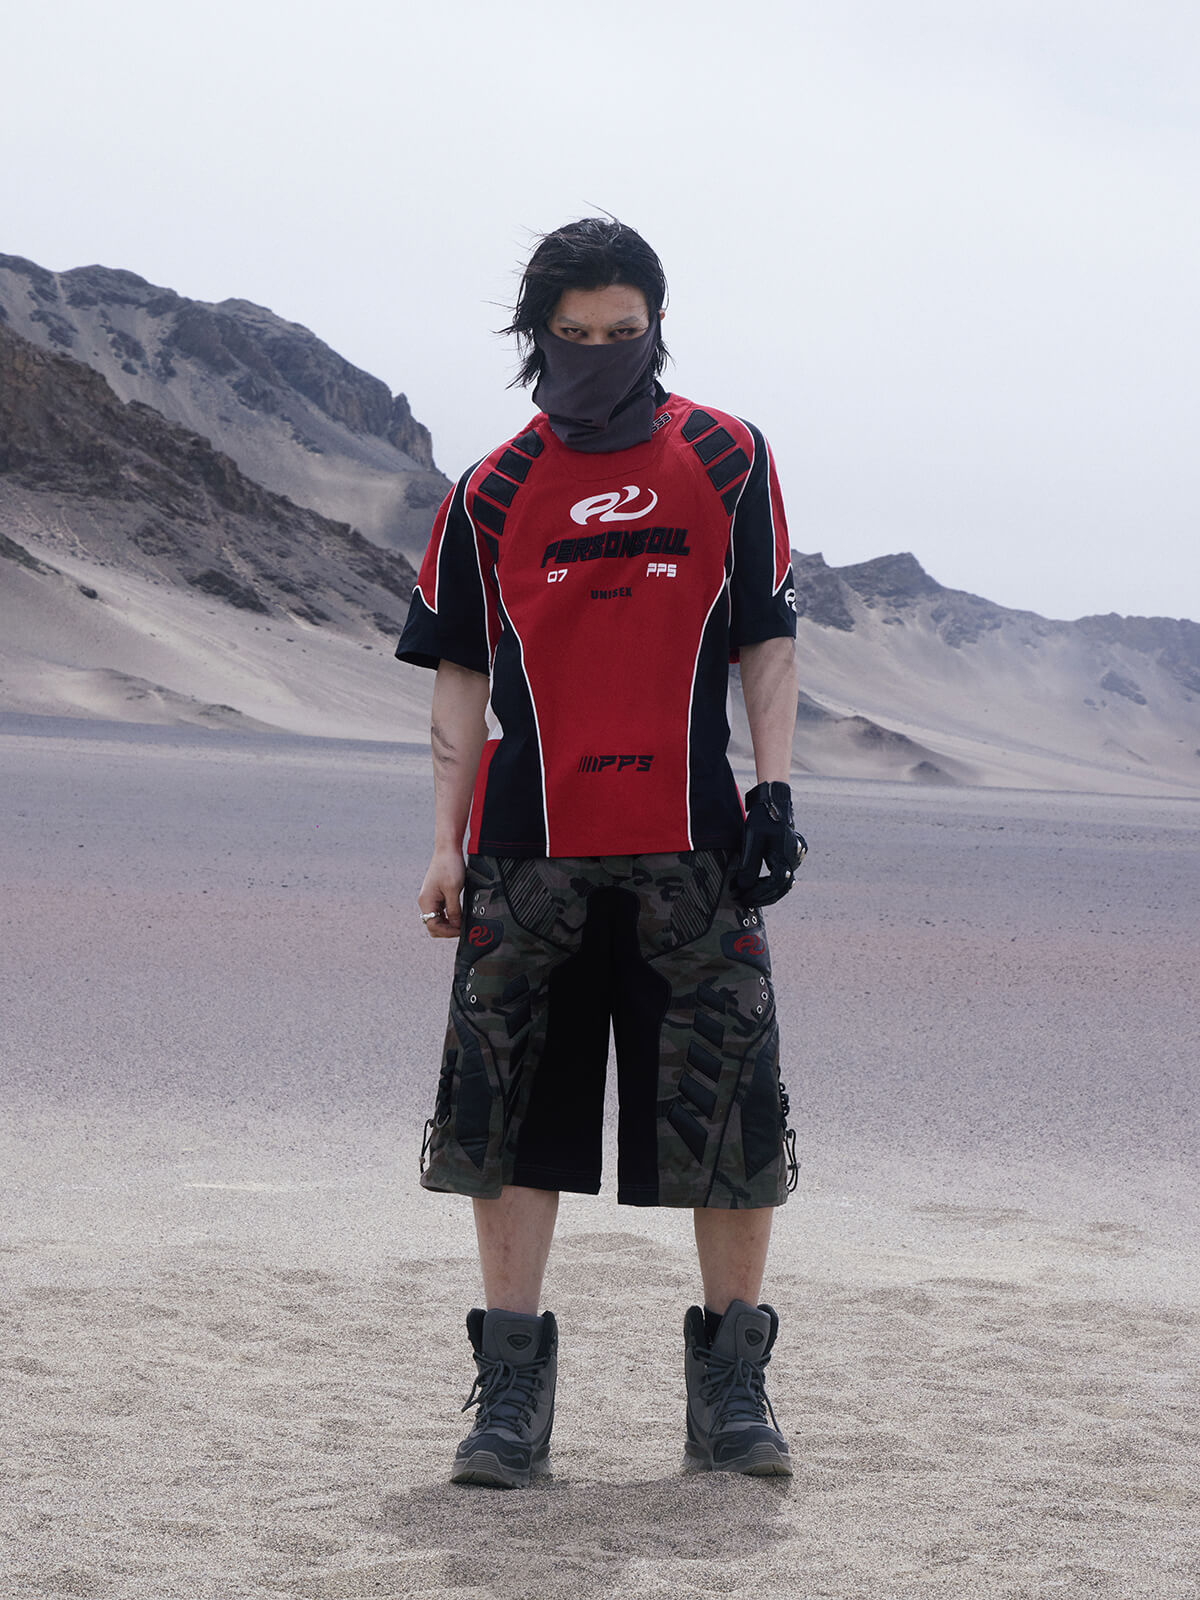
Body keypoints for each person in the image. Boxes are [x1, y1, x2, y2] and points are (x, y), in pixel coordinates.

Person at [395, 217, 805, 1489]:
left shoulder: (727, 456)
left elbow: (765, 635)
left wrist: (776, 789)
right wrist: (444, 845)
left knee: (730, 1115)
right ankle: (510, 1396)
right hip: (529, 854)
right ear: (539, 337)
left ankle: (732, 1392)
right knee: (506, 1117)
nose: (599, 354)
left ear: (656, 327)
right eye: (573, 336)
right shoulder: (491, 489)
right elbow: (459, 679)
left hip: (697, 851)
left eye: (622, 333)